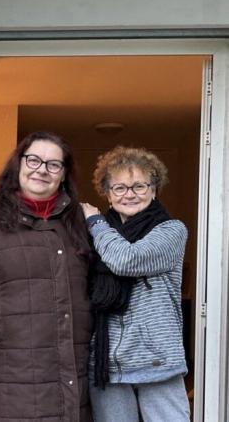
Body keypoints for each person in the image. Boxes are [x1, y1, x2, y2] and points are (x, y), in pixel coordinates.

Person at [0, 131, 93, 422]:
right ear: (19, 164)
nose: (42, 169)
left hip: (72, 379)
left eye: (53, 164)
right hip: (7, 384)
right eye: (34, 160)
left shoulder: (80, 223)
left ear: (63, 175)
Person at [81, 146, 190, 422]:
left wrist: (93, 221)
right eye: (119, 188)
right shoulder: (94, 236)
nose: (129, 194)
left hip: (156, 359)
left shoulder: (171, 230)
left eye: (139, 186)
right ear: (107, 194)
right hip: (107, 362)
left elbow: (127, 260)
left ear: (154, 190)